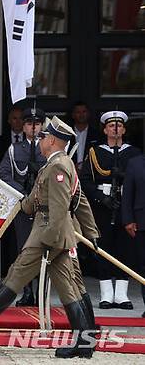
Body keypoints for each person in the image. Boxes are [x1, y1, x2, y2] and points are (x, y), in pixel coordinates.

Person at [0, 117, 95, 359]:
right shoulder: (60, 163)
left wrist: (50, 240)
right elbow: (65, 201)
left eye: (43, 137)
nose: (40, 141)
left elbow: (60, 208)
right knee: (67, 288)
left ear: (51, 140)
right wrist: (21, 202)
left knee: (17, 276)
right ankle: (85, 342)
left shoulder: (58, 167)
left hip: (48, 235)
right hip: (52, 233)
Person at [80, 110, 141, 309]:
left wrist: (123, 175)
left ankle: (122, 294)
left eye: (119, 126)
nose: (115, 129)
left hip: (126, 204)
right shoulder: (95, 152)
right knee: (103, 247)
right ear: (105, 129)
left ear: (123, 129)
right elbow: (86, 181)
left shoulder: (133, 153)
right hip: (103, 206)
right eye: (111, 126)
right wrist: (101, 198)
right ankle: (106, 294)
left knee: (126, 249)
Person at [0, 107, 47, 306]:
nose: (33, 128)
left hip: (44, 207)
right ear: (23, 126)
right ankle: (27, 291)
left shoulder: (47, 148)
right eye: (29, 124)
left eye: (37, 124)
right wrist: (23, 193)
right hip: (23, 207)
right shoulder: (14, 149)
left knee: (43, 250)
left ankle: (41, 290)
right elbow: (4, 174)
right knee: (24, 249)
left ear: (42, 125)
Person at [121, 153, 145, 318]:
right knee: (144, 267)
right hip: (142, 222)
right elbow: (127, 193)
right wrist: (128, 219)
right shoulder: (135, 163)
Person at [68, 101, 100, 171]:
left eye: (84, 112)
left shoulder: (97, 135)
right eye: (78, 112)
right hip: (70, 172)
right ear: (73, 115)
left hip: (91, 173)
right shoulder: (67, 134)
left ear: (88, 114)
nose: (81, 115)